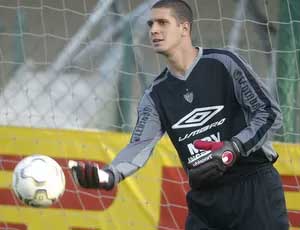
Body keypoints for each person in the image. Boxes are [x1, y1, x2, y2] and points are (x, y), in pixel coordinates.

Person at [68, 0, 289, 229]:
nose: (154, 30)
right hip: (206, 200)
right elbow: (138, 146)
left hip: (254, 189)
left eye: (163, 22)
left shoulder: (223, 63)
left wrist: (234, 148)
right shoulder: (155, 94)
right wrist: (109, 175)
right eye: (151, 24)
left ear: (185, 28)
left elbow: (269, 113)